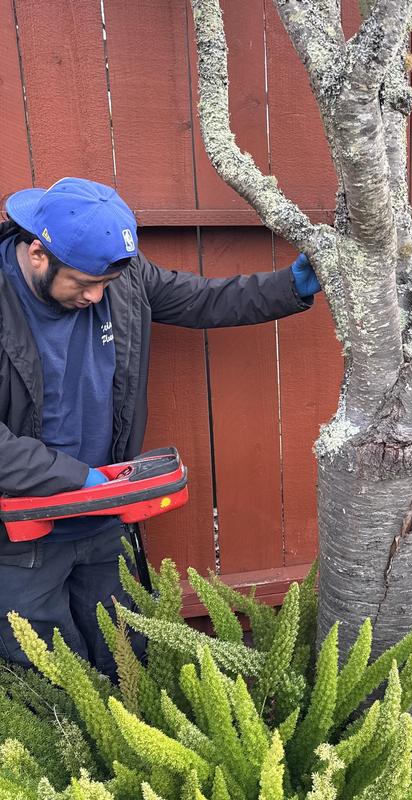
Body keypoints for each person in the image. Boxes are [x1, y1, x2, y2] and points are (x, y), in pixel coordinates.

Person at [0, 177, 321, 676]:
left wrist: (290, 287)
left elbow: (200, 299)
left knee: (124, 653)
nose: (95, 296)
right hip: (22, 530)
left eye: (103, 286)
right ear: (38, 253)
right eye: (83, 284)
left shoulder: (118, 281)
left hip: (104, 515)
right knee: (45, 672)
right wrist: (74, 479)